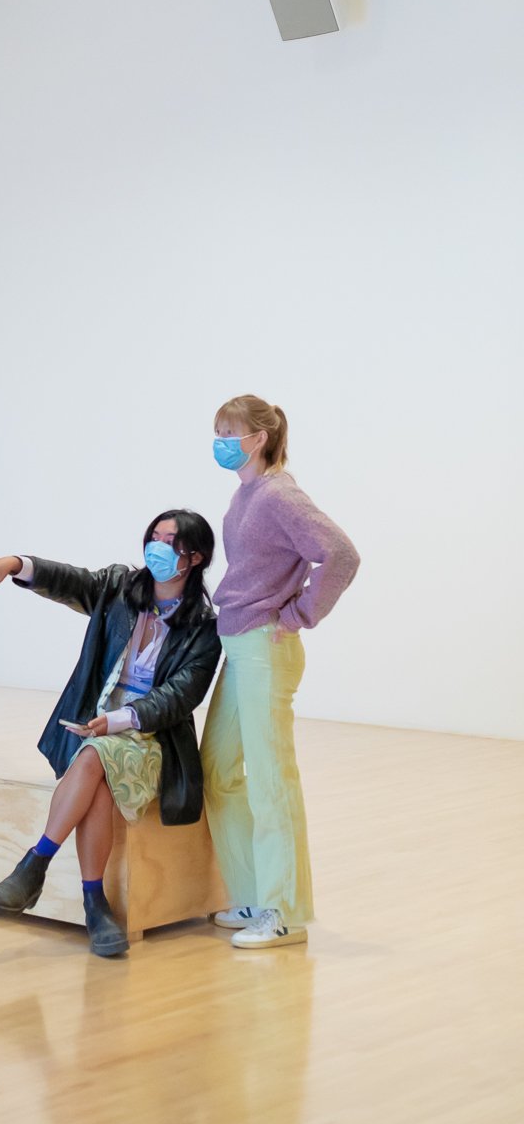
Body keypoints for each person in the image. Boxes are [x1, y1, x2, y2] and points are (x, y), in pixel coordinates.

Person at [0, 509, 221, 958]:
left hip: (150, 739)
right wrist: (15, 563)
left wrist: (118, 721)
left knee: (94, 755)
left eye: (171, 542)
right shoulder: (120, 586)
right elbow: (71, 581)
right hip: (95, 728)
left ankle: (36, 863)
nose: (157, 548)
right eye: (154, 537)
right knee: (97, 776)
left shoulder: (204, 626)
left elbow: (179, 697)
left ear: (195, 557)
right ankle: (94, 903)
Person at [202, 394, 360, 949]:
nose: (220, 442)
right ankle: (254, 894)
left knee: (271, 779)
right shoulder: (245, 494)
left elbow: (341, 554)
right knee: (218, 768)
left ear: (259, 438)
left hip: (265, 649)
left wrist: (298, 615)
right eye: (217, 432)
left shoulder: (277, 494)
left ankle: (283, 912)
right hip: (239, 646)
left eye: (230, 433)